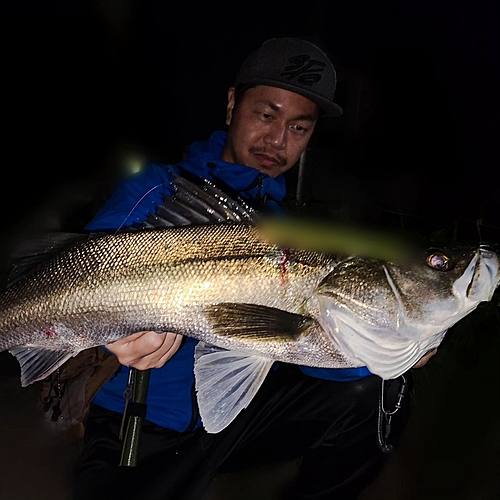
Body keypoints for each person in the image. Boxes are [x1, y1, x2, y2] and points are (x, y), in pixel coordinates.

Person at [70, 37, 437, 500]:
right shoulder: (160, 190)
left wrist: (386, 352)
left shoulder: (288, 233)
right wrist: (114, 333)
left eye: (299, 127)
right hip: (140, 425)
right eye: (266, 115)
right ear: (231, 105)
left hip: (232, 418)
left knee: (378, 396)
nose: (277, 141)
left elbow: (302, 344)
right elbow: (82, 272)